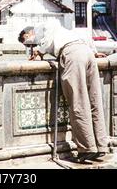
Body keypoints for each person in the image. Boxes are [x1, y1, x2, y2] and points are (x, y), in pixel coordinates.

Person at [18, 23, 110, 163]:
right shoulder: (65, 30)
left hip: (72, 56)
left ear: (30, 33)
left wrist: (39, 52)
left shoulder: (46, 28)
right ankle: (101, 145)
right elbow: (85, 34)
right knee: (94, 102)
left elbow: (47, 41)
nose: (30, 44)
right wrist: (95, 52)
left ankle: (87, 148)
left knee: (78, 103)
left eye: (27, 40)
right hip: (88, 54)